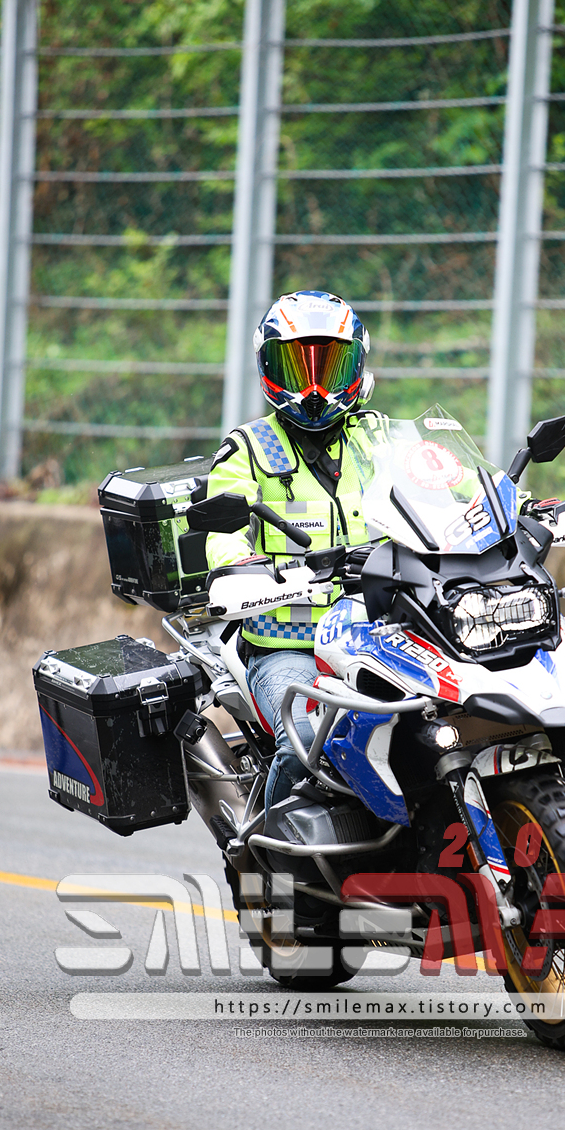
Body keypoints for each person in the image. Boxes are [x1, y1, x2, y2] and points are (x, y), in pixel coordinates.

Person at [204, 289, 379, 814]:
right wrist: (236, 568)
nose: (315, 387)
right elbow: (222, 526)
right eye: (297, 368)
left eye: (331, 366)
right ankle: (267, 849)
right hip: (287, 644)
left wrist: (517, 505)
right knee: (307, 740)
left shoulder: (377, 439)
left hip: (379, 634)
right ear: (268, 367)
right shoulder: (247, 449)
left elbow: (449, 481)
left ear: (357, 364)